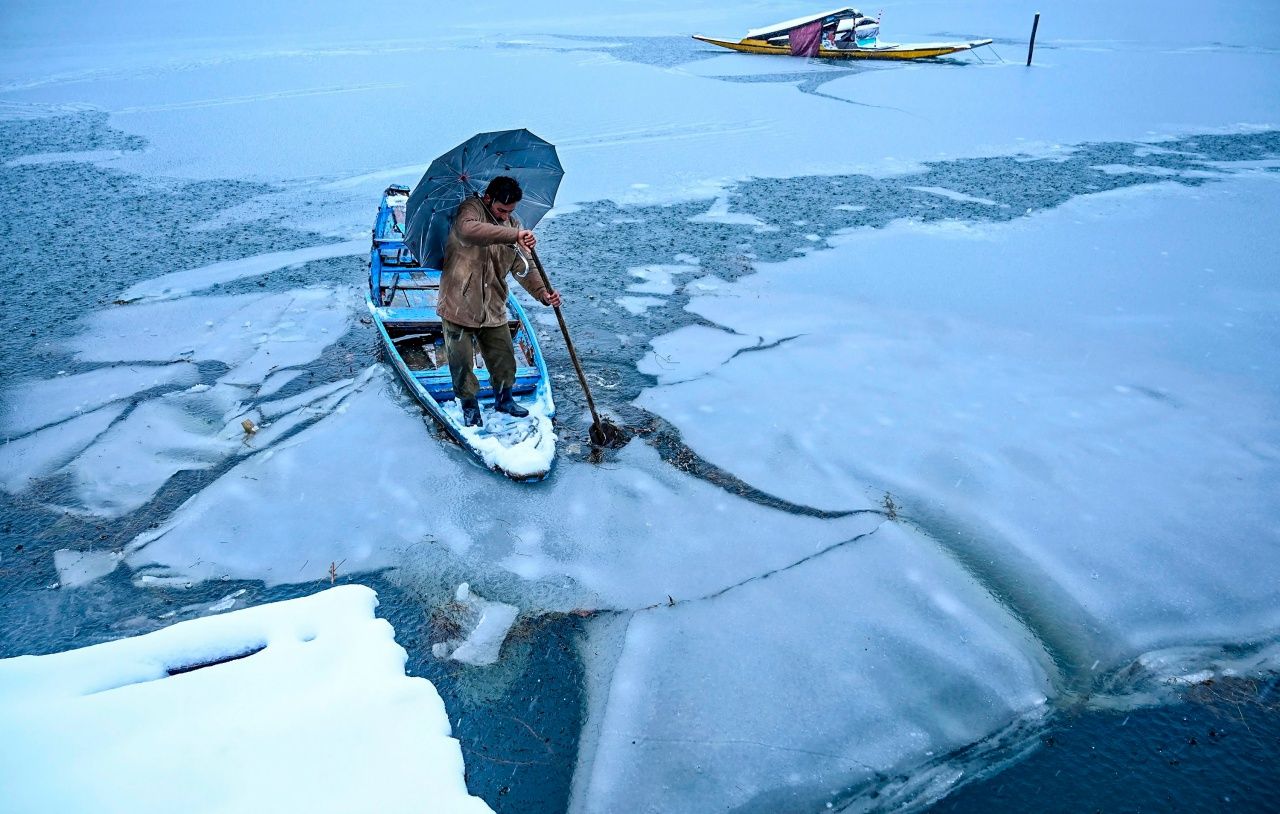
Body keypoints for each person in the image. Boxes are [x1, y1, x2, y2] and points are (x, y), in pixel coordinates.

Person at [438, 175, 562, 428]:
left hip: (493, 307)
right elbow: (467, 230)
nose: (506, 215)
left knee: (504, 359)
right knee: (461, 362)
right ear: (488, 198)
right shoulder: (470, 211)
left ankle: (504, 399)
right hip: (458, 305)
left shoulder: (513, 225)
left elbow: (523, 267)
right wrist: (513, 234)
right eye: (501, 210)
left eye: (511, 211)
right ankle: (469, 405)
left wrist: (543, 293)